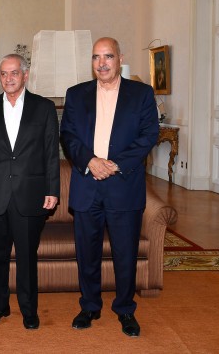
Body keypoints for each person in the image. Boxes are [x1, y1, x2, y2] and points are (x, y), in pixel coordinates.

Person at [60, 37, 159, 337]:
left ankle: (125, 309)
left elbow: (148, 134)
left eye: (108, 56)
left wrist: (113, 164)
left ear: (119, 58)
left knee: (125, 253)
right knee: (86, 252)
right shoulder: (76, 95)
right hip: (87, 184)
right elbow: (68, 136)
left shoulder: (141, 94)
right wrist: (90, 161)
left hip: (123, 185)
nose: (101, 63)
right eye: (96, 57)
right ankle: (89, 305)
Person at [0, 54, 60, 330]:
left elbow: (50, 154)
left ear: (25, 75)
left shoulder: (44, 108)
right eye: (3, 74)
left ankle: (29, 310)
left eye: (13, 73)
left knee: (26, 257)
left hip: (30, 193)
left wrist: (52, 190)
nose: (8, 78)